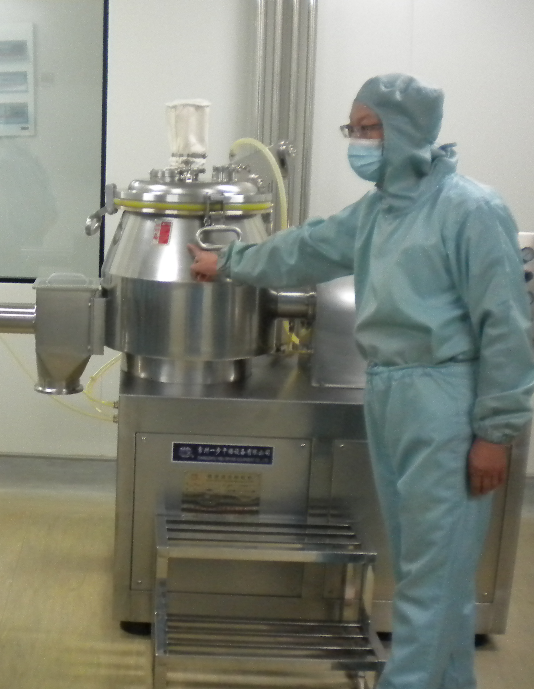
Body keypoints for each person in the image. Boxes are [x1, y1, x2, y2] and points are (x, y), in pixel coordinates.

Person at [189, 73, 534, 689]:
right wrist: (232, 261)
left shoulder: (471, 210)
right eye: (353, 129)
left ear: (409, 130)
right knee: (430, 570)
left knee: (432, 579)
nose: (359, 141)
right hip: (390, 394)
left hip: (446, 402)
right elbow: (308, 248)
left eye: (369, 128)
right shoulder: (378, 211)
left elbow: (506, 326)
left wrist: (495, 432)